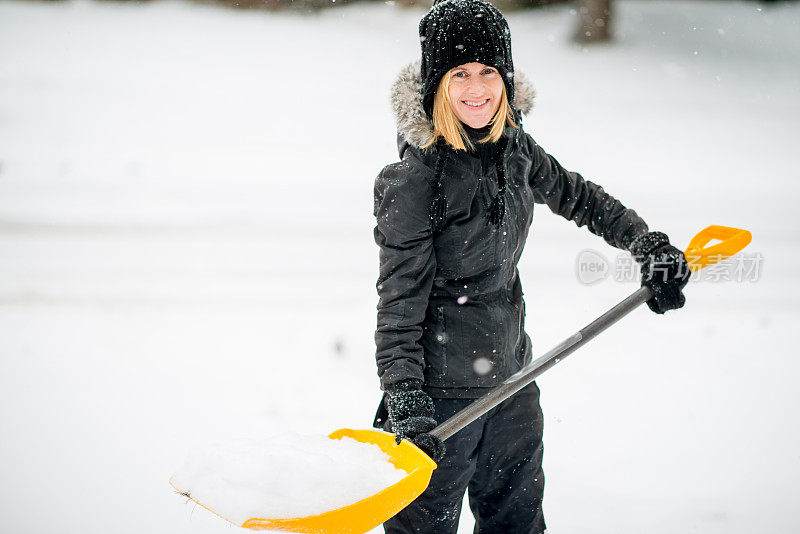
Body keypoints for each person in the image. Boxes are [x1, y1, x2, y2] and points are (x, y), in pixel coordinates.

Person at [371, 0, 691, 532]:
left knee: (517, 525)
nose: (477, 89)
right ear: (436, 85)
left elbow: (580, 197)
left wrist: (645, 242)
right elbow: (398, 303)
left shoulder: (513, 147)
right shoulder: (414, 180)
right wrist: (404, 396)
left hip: (515, 378)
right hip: (439, 402)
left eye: (489, 72)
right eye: (460, 74)